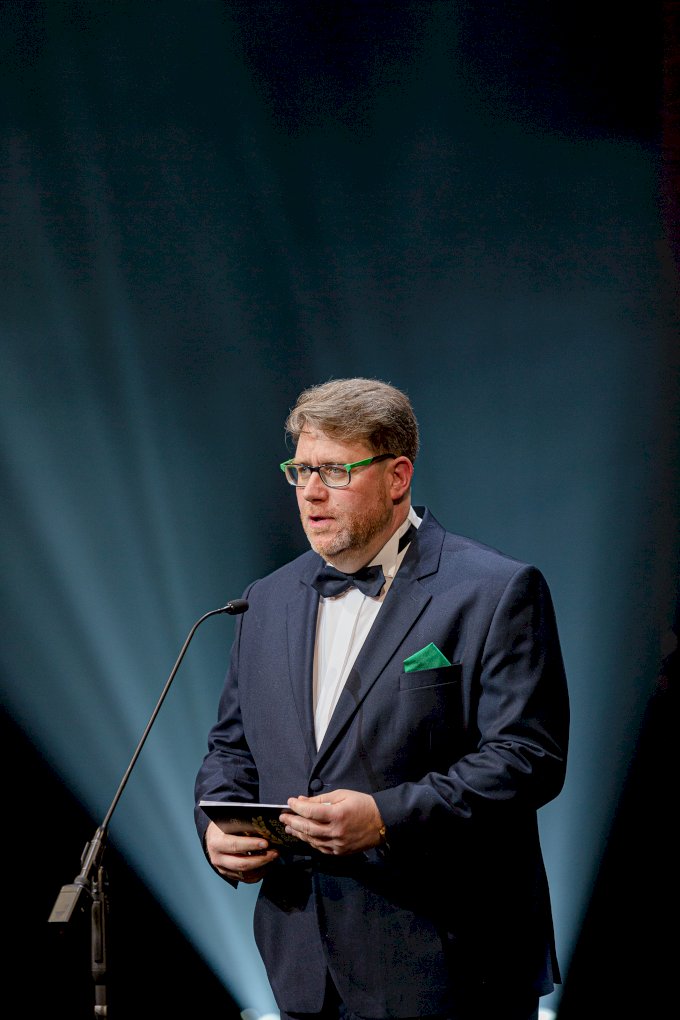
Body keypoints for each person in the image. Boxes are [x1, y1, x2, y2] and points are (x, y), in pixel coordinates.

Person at [194, 377, 569, 1020]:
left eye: (335, 471)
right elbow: (231, 748)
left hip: (452, 967)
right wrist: (216, 830)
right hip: (305, 966)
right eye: (301, 470)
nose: (311, 491)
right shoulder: (265, 600)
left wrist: (385, 816)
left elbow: (526, 758)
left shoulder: (495, 590)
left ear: (398, 477)